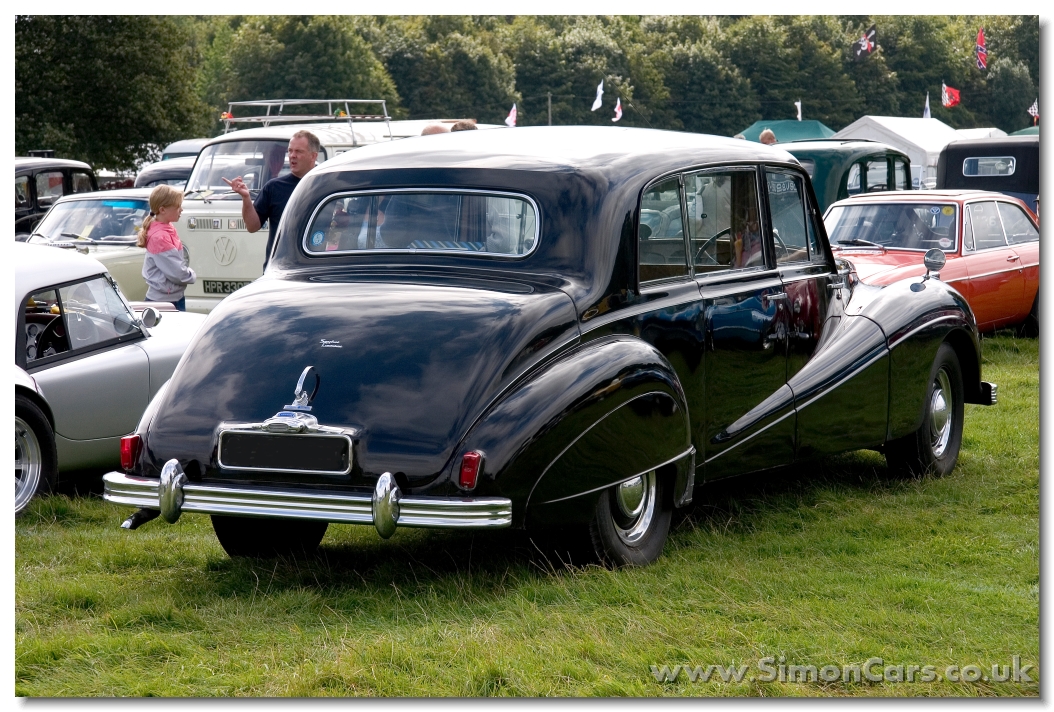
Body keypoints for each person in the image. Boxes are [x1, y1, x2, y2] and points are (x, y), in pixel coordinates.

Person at [224, 130, 320, 269]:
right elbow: (252, 226)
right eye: (290, 151)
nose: (292, 156)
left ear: (313, 156)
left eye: (298, 151)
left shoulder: (324, 185)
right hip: (278, 269)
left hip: (314, 268)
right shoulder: (274, 187)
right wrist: (246, 198)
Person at [137, 185, 195, 311]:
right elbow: (177, 273)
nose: (181, 209)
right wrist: (192, 275)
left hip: (172, 297)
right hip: (164, 302)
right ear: (162, 210)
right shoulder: (160, 237)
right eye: (178, 206)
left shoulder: (167, 229)